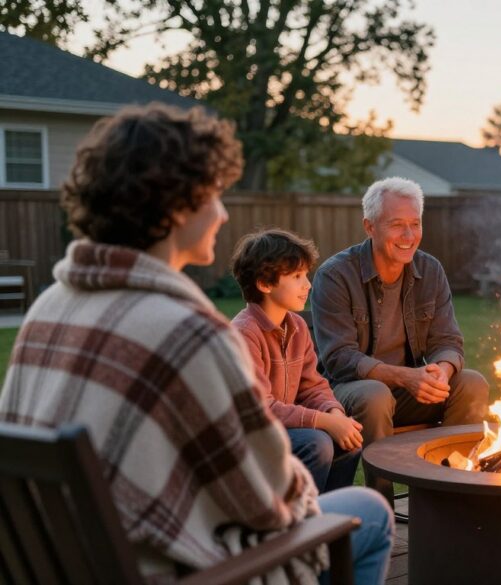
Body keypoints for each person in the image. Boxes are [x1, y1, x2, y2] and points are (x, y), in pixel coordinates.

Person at [0, 104, 392, 585]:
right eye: (214, 195)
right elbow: (269, 500)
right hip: (182, 570)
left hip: (73, 562)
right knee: (366, 512)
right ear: (176, 204)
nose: (224, 213)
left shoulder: (46, 309)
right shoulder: (189, 333)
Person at [311, 177, 489, 500]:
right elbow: (340, 358)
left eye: (415, 224)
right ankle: (382, 506)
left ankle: (452, 496)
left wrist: (440, 372)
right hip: (348, 393)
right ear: (370, 226)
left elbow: (448, 341)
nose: (409, 236)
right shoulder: (336, 276)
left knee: (472, 383)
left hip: (409, 392)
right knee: (375, 395)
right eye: (397, 225)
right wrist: (406, 377)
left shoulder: (430, 270)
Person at [231, 229, 363, 493]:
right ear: (265, 284)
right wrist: (324, 422)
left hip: (284, 431)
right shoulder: (245, 333)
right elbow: (261, 408)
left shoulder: (297, 327)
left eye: (306, 274)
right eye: (296, 276)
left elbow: (313, 387)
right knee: (318, 443)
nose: (308, 284)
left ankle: (330, 520)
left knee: (350, 439)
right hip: (250, 438)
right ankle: (299, 525)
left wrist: (335, 414)